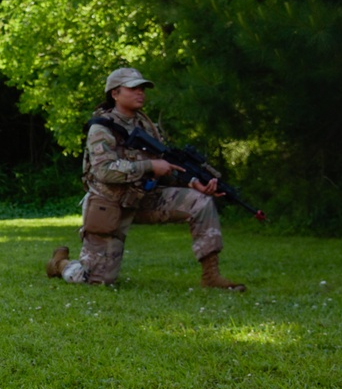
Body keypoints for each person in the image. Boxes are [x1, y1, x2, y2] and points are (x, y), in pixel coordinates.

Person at [46, 67, 245, 290]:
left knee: (201, 201)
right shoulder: (101, 127)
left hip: (144, 199)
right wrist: (149, 165)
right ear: (115, 93)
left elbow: (166, 167)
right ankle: (60, 264)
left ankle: (211, 276)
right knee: (95, 281)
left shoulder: (148, 127)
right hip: (110, 206)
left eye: (142, 88)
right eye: (133, 88)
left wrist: (192, 182)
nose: (140, 92)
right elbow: (104, 171)